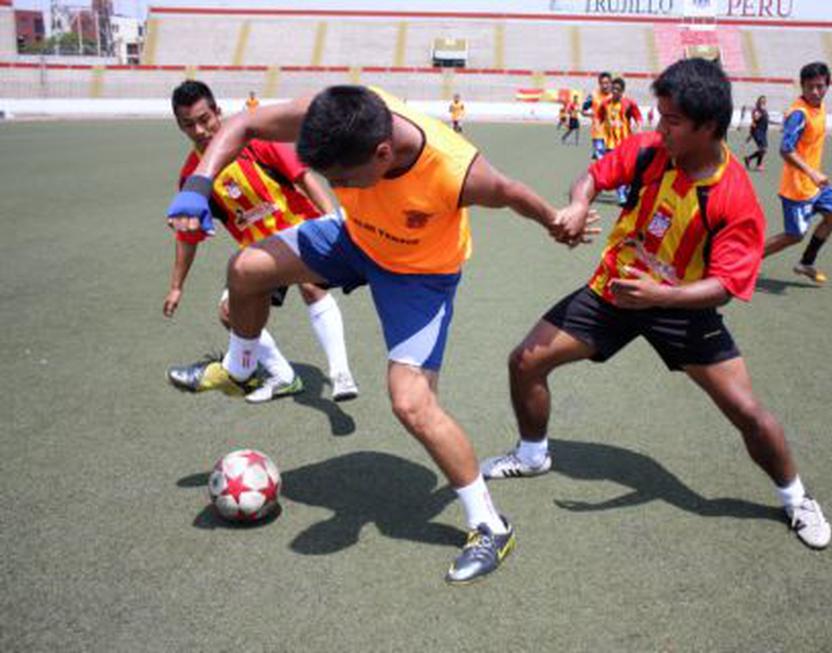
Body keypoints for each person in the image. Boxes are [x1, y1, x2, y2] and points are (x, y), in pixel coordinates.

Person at [164, 85, 597, 583]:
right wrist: (199, 184)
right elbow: (242, 124)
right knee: (245, 269)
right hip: (354, 238)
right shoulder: (337, 112)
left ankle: (490, 525)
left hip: (419, 275)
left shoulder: (454, 169)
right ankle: (241, 369)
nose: (336, 185)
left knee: (411, 403)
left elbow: (512, 192)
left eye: (344, 178)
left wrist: (557, 221)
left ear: (383, 154)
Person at [480, 58, 832, 552]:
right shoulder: (649, 150)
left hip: (682, 308)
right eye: (659, 115)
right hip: (615, 290)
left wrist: (662, 296)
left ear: (708, 127)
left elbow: (727, 284)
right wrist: (579, 204)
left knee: (748, 413)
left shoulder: (734, 198)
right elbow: (593, 176)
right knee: (525, 361)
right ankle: (532, 454)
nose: (659, 127)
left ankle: (796, 498)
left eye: (672, 120)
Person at [164, 80, 358, 403]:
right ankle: (284, 377)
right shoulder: (193, 175)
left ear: (217, 112)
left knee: (311, 286)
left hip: (302, 232)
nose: (199, 130)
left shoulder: (257, 141)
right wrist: (176, 286)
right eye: (188, 125)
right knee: (230, 313)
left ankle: (341, 374)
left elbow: (305, 178)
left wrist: (333, 221)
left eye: (204, 119)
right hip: (261, 253)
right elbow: (187, 235)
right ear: (179, 126)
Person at [763, 61, 832, 285]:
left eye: (820, 86)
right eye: (810, 87)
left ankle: (806, 263)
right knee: (794, 235)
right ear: (802, 86)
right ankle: (743, 263)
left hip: (816, 185)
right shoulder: (798, 114)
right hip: (797, 188)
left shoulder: (820, 106)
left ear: (827, 85)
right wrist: (811, 173)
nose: (815, 92)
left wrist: (814, 176)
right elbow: (785, 149)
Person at [595, 77, 642, 205]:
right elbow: (599, 116)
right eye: (613, 89)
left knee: (628, 171)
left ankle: (626, 190)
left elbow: (638, 117)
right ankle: (621, 195)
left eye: (618, 89)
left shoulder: (629, 103)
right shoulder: (605, 104)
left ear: (622, 91)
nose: (615, 91)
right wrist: (599, 128)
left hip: (626, 143)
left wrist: (638, 127)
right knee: (617, 171)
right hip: (611, 144)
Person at [580, 71, 613, 160]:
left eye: (607, 83)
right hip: (598, 134)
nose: (604, 86)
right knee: (601, 161)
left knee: (612, 161)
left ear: (611, 83)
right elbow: (583, 111)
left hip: (613, 135)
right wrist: (592, 114)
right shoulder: (593, 95)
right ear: (599, 84)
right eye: (602, 83)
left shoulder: (616, 96)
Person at [743, 95, 769, 171]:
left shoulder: (764, 110)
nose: (763, 101)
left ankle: (751, 161)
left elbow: (765, 120)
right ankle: (754, 162)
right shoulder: (757, 110)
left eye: (764, 100)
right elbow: (754, 120)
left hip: (763, 132)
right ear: (758, 101)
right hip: (757, 132)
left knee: (762, 149)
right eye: (762, 100)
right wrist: (751, 134)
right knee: (763, 149)